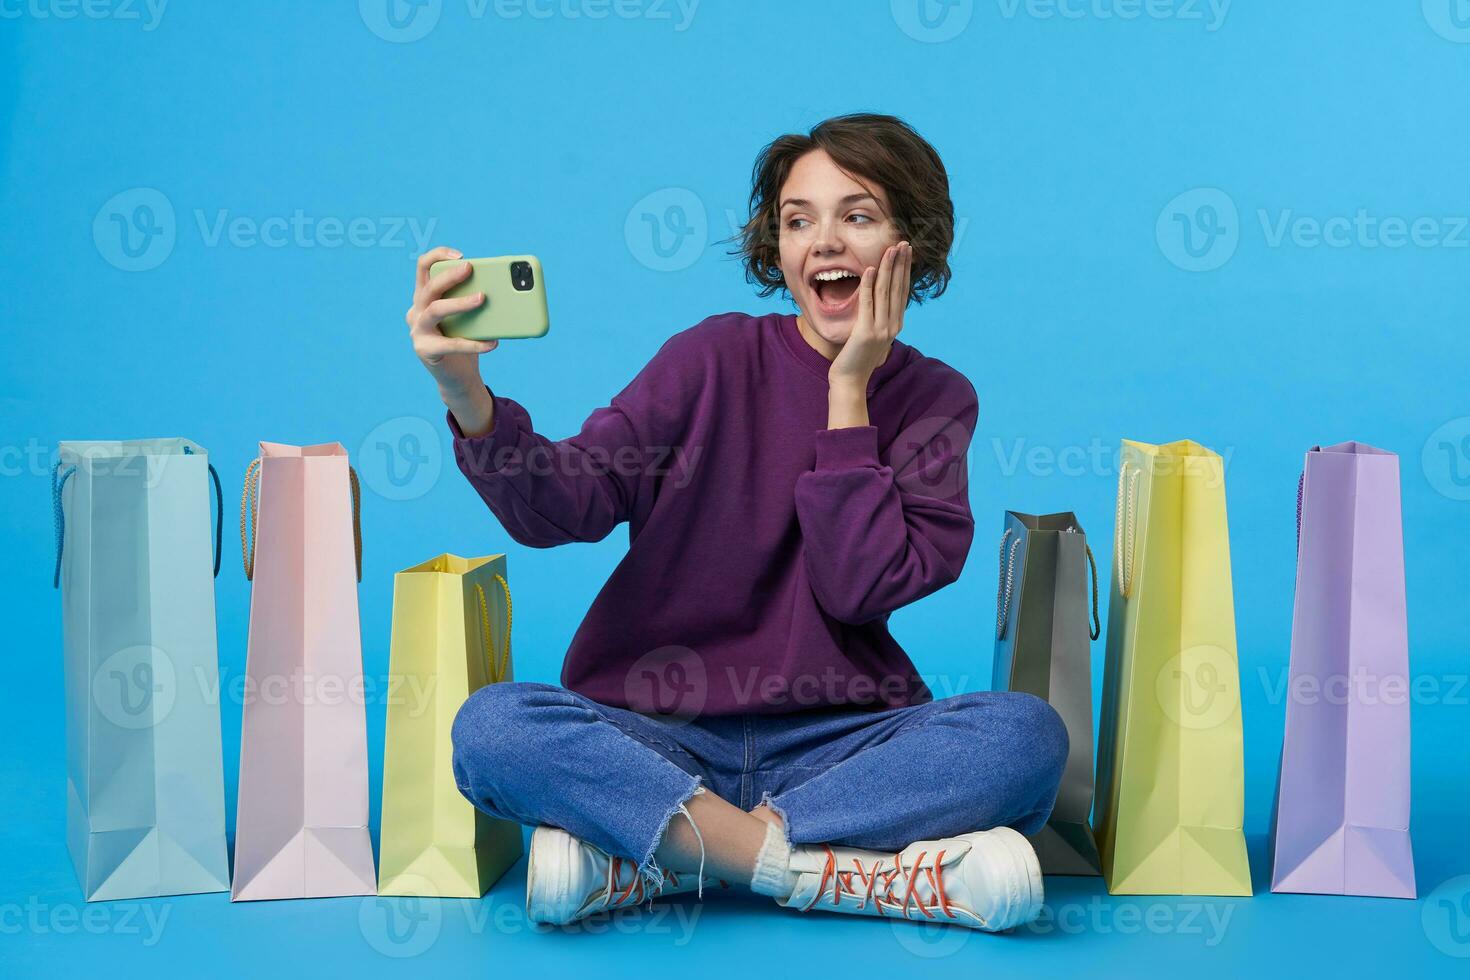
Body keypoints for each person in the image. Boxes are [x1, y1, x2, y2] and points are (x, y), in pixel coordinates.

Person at [404, 113, 1068, 931]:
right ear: (776, 247)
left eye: (856, 216)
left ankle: (662, 860)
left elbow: (857, 588)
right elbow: (564, 509)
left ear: (911, 245)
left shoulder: (937, 400)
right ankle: (839, 874)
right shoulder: (709, 359)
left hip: (841, 748)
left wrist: (848, 392)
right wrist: (465, 394)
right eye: (798, 221)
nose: (823, 242)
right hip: (657, 735)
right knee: (494, 727)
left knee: (1025, 737)